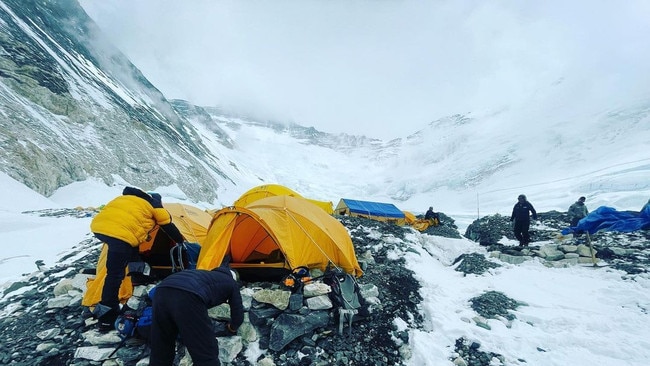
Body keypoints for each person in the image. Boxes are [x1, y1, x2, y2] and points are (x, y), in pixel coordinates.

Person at [90, 187, 184, 329]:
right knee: (114, 274)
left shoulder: (126, 199)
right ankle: (107, 315)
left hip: (99, 227)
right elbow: (167, 225)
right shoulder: (155, 205)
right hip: (120, 234)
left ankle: (138, 275)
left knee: (133, 246)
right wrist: (181, 241)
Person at [149, 266, 244, 366]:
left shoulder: (206, 275)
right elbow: (238, 314)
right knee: (205, 351)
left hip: (161, 290)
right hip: (188, 294)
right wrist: (232, 328)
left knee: (161, 345)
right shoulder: (231, 283)